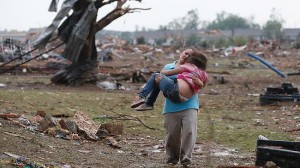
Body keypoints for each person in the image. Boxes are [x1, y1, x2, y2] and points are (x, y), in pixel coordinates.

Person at [134, 48, 208, 166]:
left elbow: (202, 83)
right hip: (171, 106)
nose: (187, 55)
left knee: (189, 133)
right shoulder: (169, 66)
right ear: (181, 53)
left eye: (190, 55)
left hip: (190, 105)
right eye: (186, 53)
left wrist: (199, 82)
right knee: (172, 135)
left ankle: (186, 160)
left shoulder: (196, 70)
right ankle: (172, 160)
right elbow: (161, 79)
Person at [130, 49, 208, 110]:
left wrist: (162, 72)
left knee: (156, 76)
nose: (187, 57)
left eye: (189, 56)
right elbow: (203, 85)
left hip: (175, 91)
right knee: (160, 80)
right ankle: (149, 104)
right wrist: (200, 83)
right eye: (186, 54)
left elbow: (166, 73)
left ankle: (142, 97)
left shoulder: (186, 66)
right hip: (184, 98)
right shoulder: (203, 73)